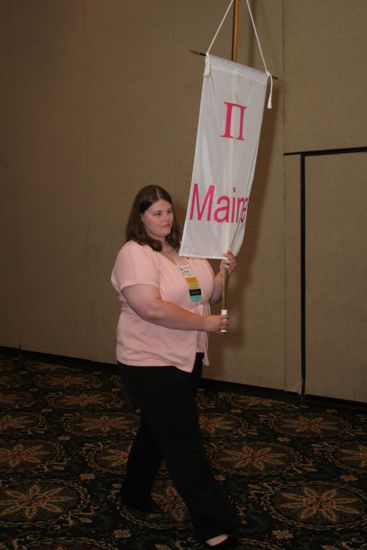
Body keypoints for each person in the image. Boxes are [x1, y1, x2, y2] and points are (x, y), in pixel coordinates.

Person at [111, 185, 240, 548]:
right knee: (184, 442)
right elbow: (150, 308)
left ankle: (133, 493)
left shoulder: (184, 251)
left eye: (168, 211)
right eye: (156, 213)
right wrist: (206, 324)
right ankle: (214, 526)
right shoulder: (133, 254)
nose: (165, 218)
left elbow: (207, 296)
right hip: (150, 362)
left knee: (156, 429)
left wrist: (223, 273)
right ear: (140, 217)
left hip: (187, 356)